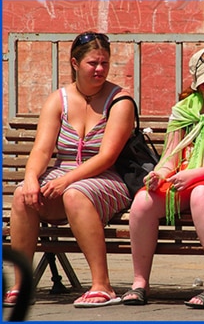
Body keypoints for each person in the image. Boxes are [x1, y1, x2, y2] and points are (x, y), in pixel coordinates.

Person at [3, 31, 135, 308]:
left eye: (104, 63)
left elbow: (108, 156)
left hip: (105, 177)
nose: (99, 69)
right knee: (21, 196)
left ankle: (103, 285)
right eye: (92, 63)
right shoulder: (58, 100)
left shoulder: (120, 100)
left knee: (75, 193)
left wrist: (67, 180)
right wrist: (30, 178)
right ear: (75, 64)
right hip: (62, 173)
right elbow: (42, 150)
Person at [122, 46, 204, 309]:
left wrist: (193, 176)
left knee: (201, 194)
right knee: (142, 201)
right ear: (203, 85)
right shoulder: (183, 110)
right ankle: (140, 282)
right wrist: (159, 174)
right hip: (184, 178)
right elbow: (171, 156)